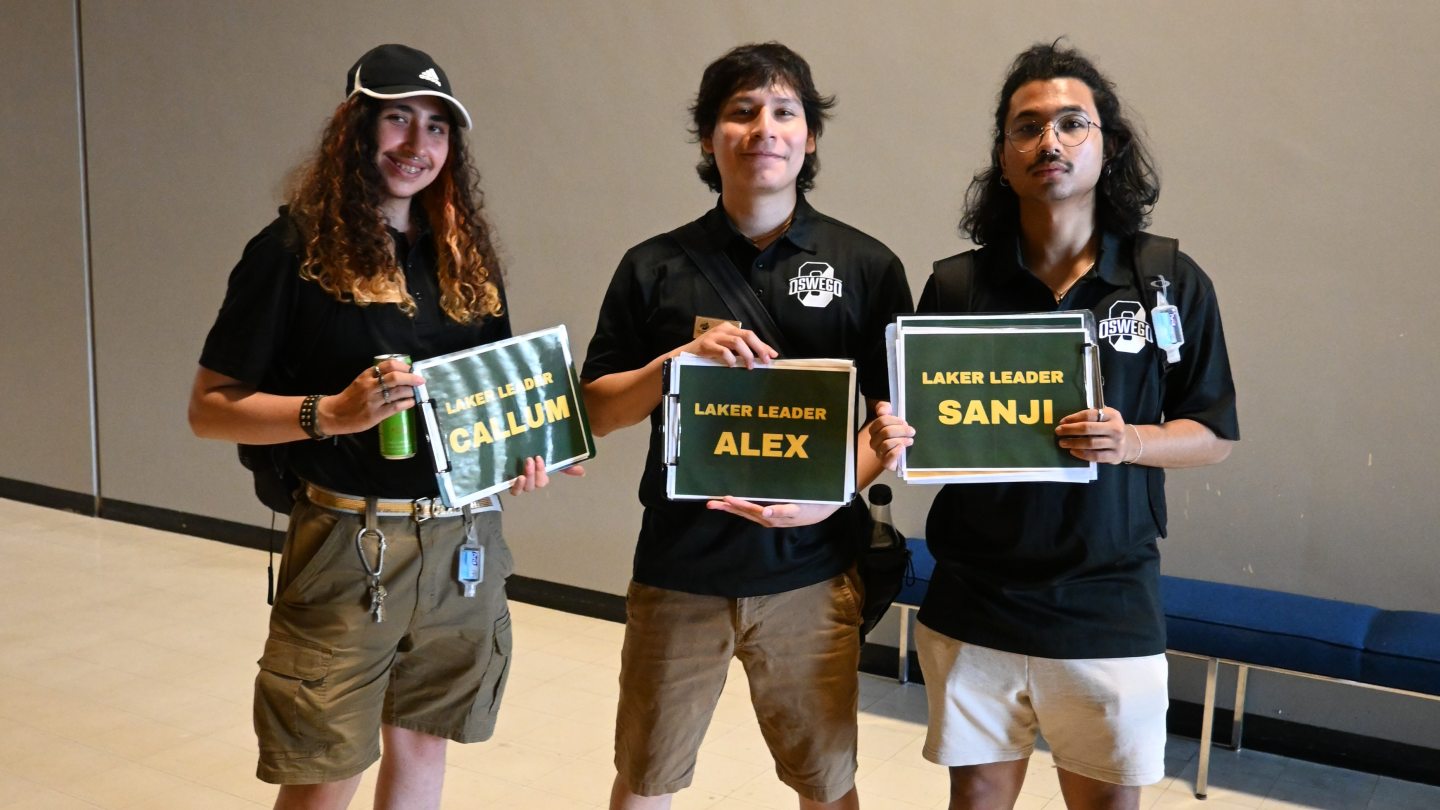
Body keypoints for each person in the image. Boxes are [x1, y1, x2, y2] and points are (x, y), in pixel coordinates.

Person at [188, 43, 579, 809]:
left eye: (436, 128)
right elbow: (209, 408)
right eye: (396, 119)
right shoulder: (290, 252)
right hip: (348, 545)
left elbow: (494, 399)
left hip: (464, 542)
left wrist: (528, 450)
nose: (416, 146)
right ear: (353, 129)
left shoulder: (465, 256)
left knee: (424, 743)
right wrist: (328, 414)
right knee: (325, 766)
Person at [867, 41, 1239, 810]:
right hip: (976, 600)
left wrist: (1131, 439)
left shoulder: (1166, 279)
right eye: (1027, 127)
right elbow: (920, 422)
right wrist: (898, 435)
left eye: (1073, 123)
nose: (1051, 142)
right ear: (1003, 158)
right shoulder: (957, 285)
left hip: (1109, 601)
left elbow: (1214, 432)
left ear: (1109, 145)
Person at [581, 42, 912, 810]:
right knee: (645, 777)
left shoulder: (866, 265)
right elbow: (596, 408)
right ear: (708, 136)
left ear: (810, 136)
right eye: (741, 111)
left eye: (784, 111)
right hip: (679, 570)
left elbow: (892, 423)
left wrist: (831, 496)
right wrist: (675, 364)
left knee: (827, 784)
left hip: (812, 571)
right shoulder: (652, 265)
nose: (764, 127)